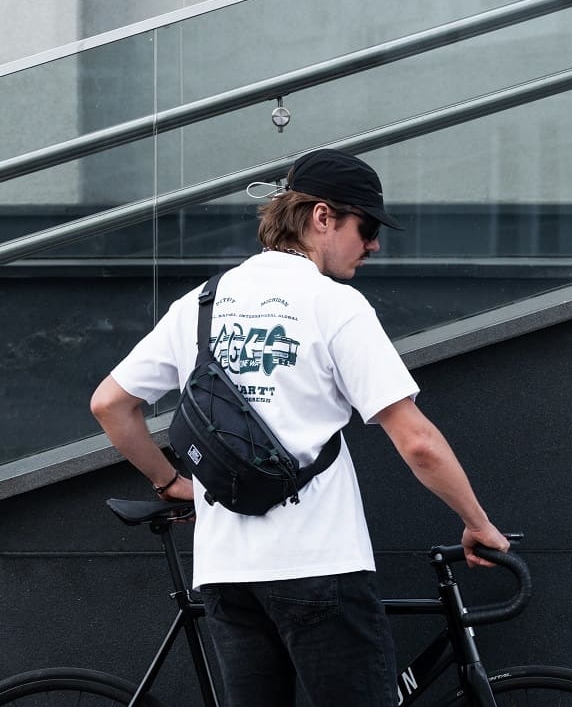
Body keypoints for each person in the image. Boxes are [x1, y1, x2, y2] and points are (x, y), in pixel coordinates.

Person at [91, 148, 509, 707]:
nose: (373, 245)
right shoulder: (334, 305)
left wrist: (169, 482)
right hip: (319, 564)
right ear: (322, 217)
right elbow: (417, 442)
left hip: (226, 572)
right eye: (366, 228)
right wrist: (477, 523)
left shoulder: (201, 304)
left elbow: (110, 404)